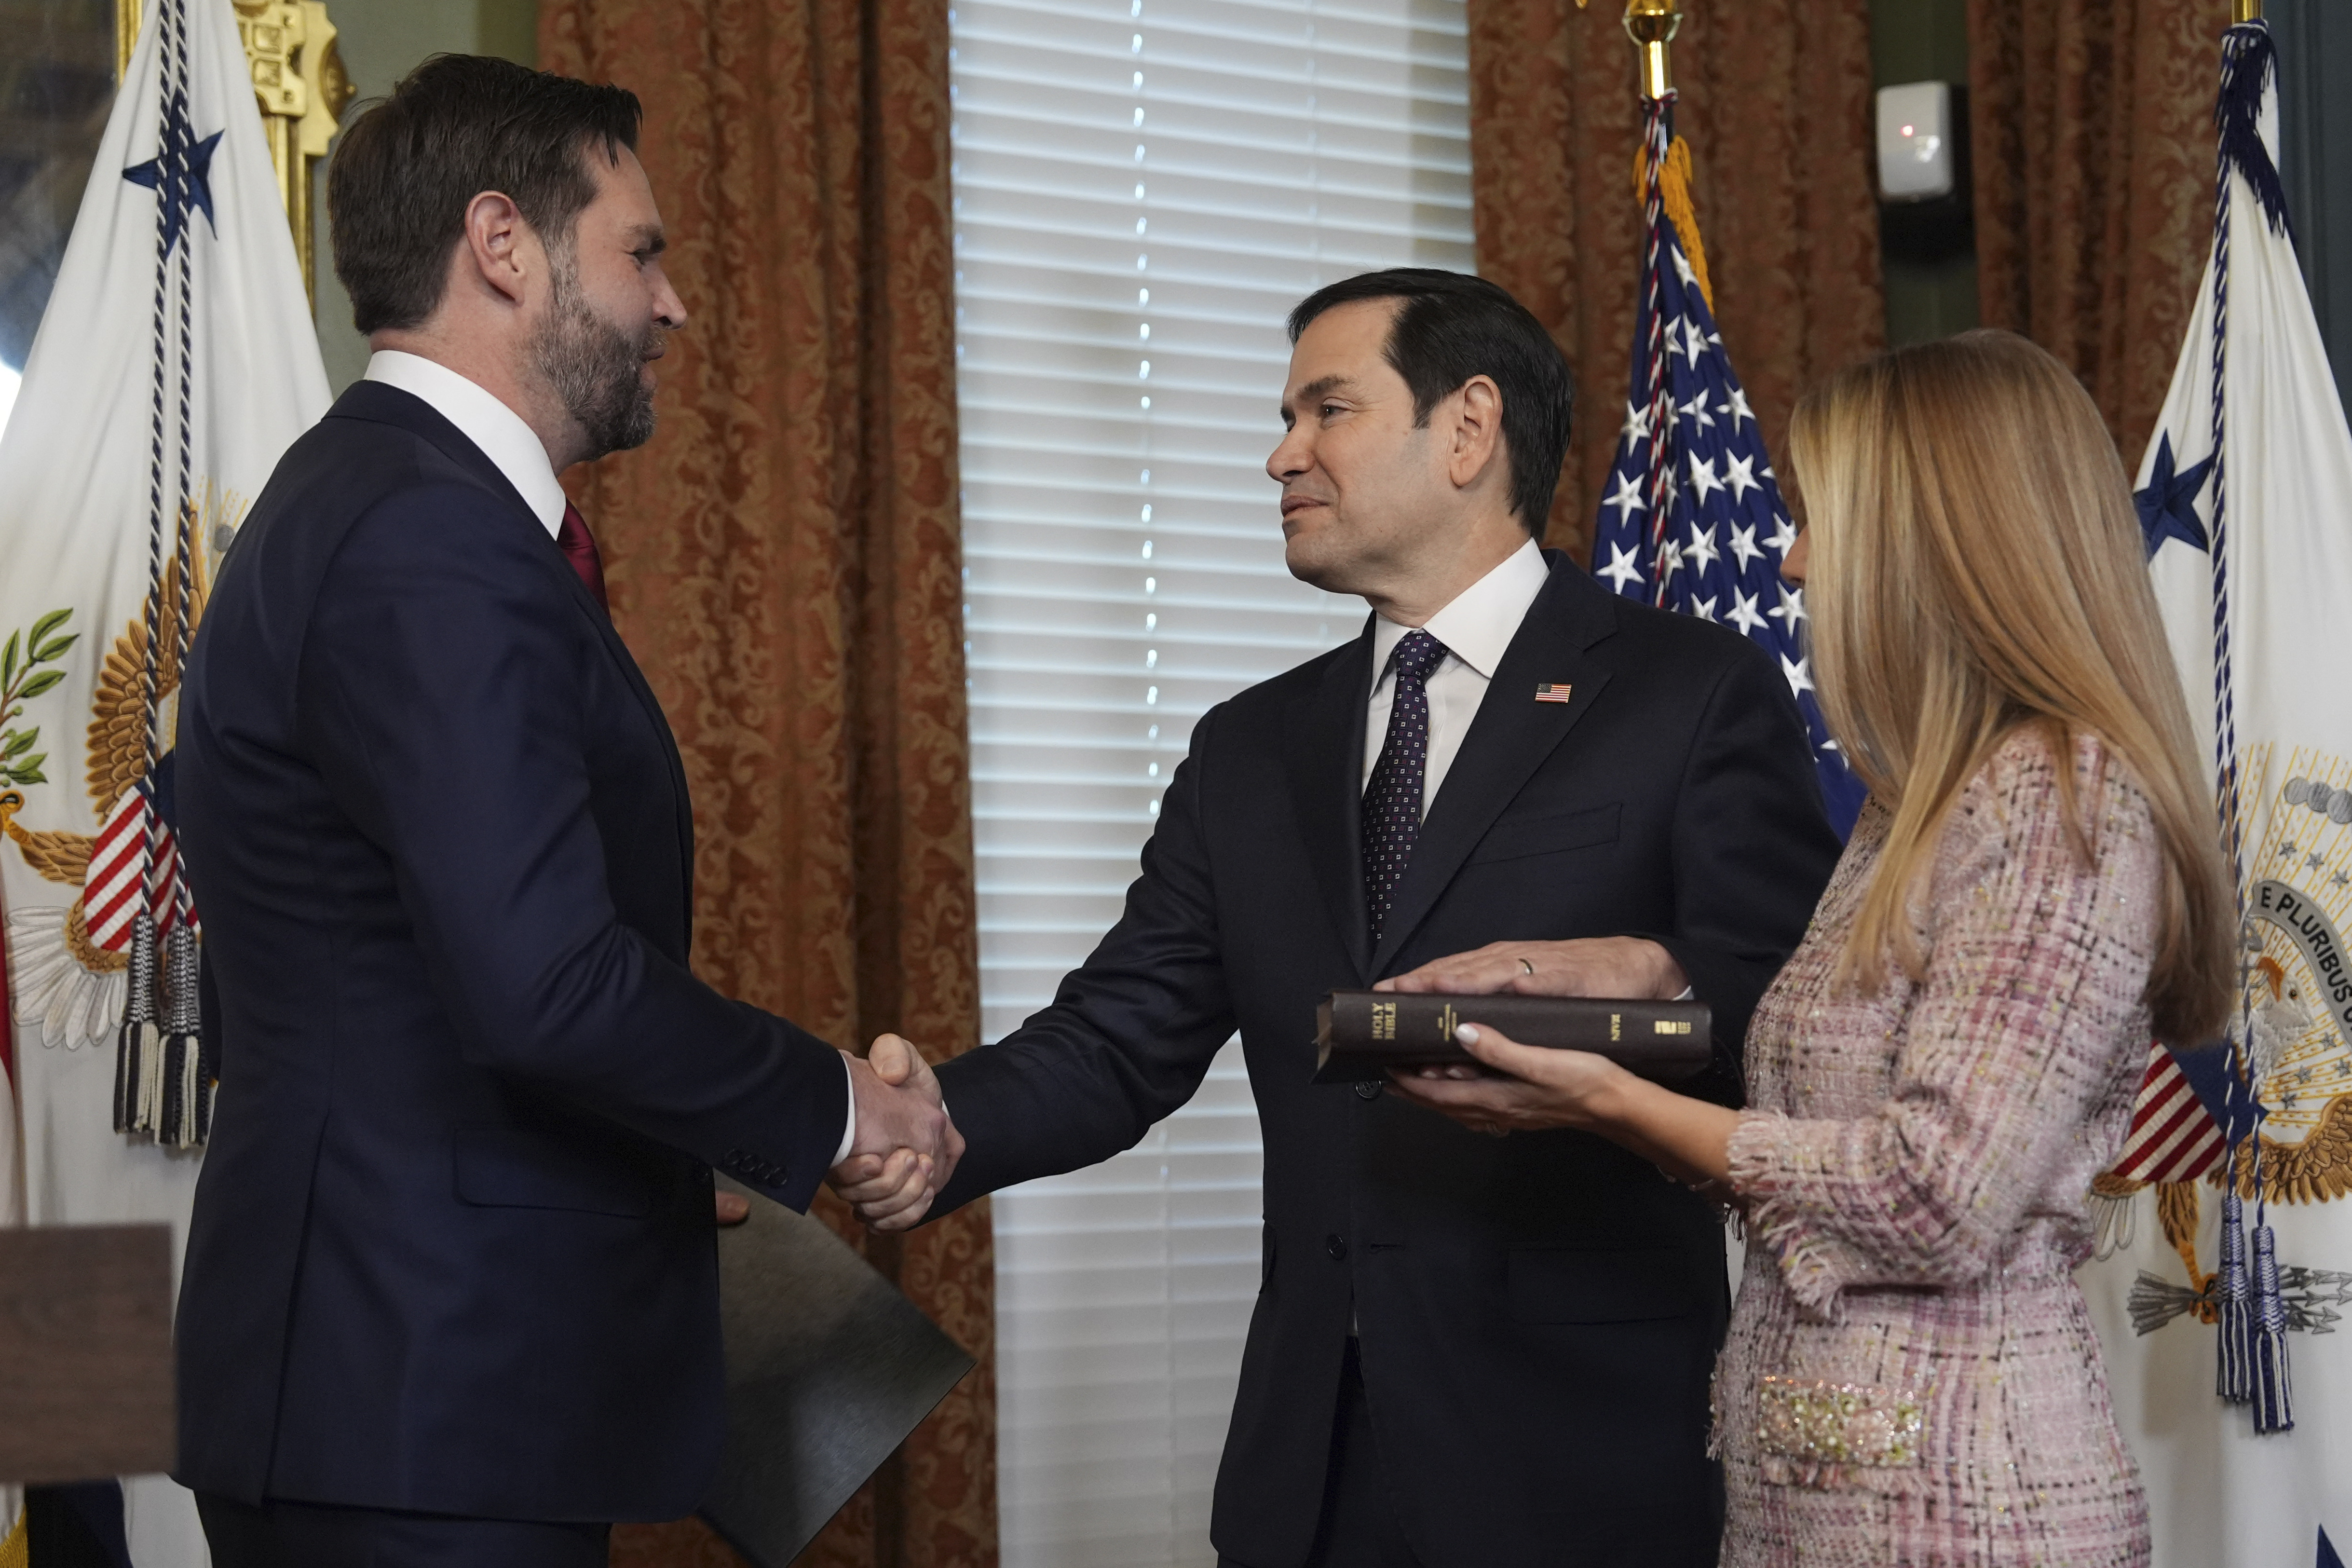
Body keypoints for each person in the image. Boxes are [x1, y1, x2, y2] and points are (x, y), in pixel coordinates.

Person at [835, 269, 1843, 1568]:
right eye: (1285, 418)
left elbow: (1791, 1023)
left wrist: (1638, 992)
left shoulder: (1686, 693)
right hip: (1312, 1469)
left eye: (1327, 410)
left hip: (1581, 1461)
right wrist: (934, 1122)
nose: (1282, 455)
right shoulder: (1250, 748)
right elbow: (1119, 1036)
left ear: (1467, 429)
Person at [173, 56, 953, 1567]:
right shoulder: (429, 536)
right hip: (417, 1404)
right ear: (502, 245)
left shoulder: (381, 500)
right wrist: (844, 1106)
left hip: (409, 1388)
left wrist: (660, 1149)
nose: (672, 303)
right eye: (639, 251)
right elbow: (543, 982)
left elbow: (414, 976)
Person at [1391, 329, 2237, 1566]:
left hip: (1970, 1512)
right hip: (1815, 1504)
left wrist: (1612, 1103)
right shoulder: (1913, 804)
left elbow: (1935, 1197)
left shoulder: (2064, 799)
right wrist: (1627, 992)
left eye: (1822, 520)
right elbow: (1818, 1129)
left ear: (1937, 540)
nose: (1791, 559)